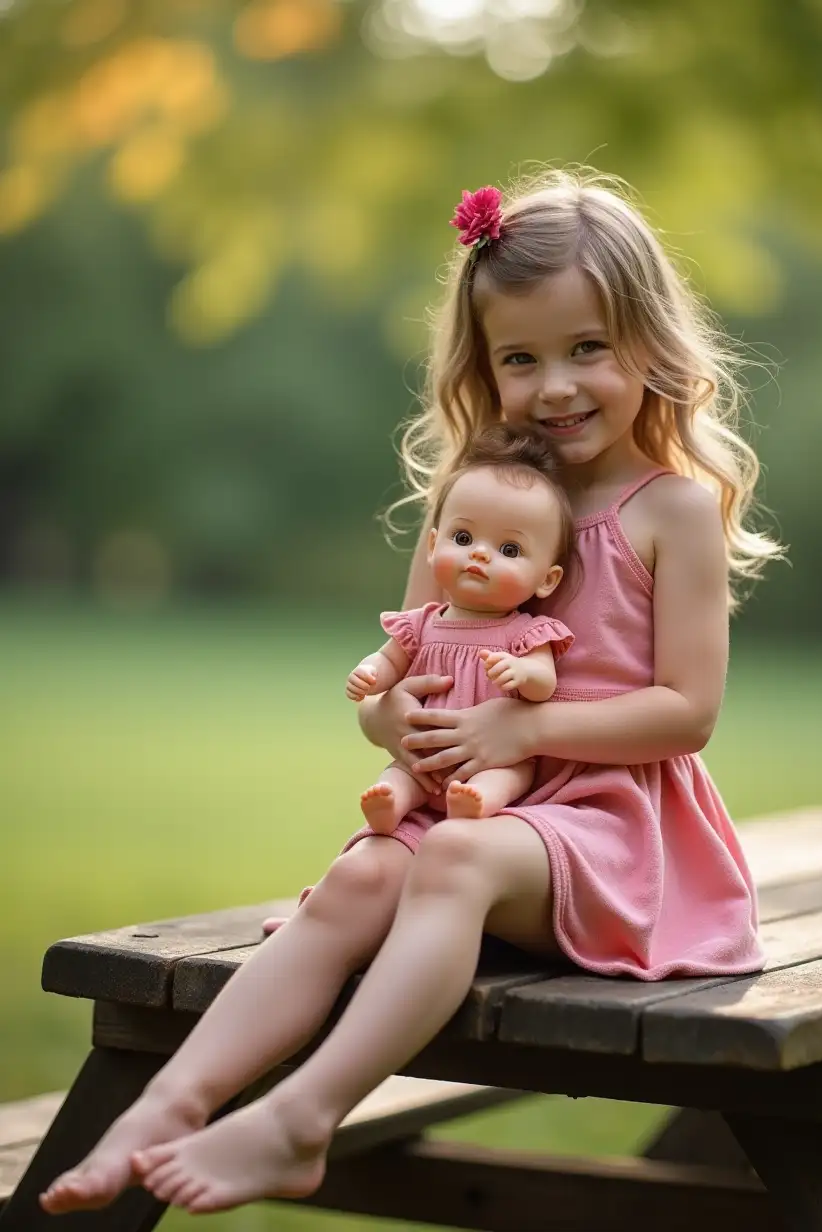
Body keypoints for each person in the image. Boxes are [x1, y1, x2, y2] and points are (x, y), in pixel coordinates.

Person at [40, 169, 781, 1217]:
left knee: (456, 855)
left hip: (616, 834)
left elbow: (686, 713)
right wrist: (399, 720)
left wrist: (522, 723)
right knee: (354, 883)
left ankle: (303, 1117)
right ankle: (168, 1102)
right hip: (472, 816)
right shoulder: (474, 500)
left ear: (651, 346)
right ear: (480, 366)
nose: (555, 386)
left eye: (587, 349)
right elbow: (405, 669)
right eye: (520, 359)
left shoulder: (673, 512)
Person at [349, 424, 575, 833]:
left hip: (492, 757)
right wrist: (370, 675)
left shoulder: (524, 633)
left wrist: (522, 672)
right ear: (433, 546)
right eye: (464, 536)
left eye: (509, 549)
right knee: (399, 773)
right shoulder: (422, 622)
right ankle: (390, 802)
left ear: (547, 579)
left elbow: (544, 683)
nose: (480, 555)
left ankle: (477, 801)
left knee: (513, 775)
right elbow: (390, 659)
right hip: (422, 755)